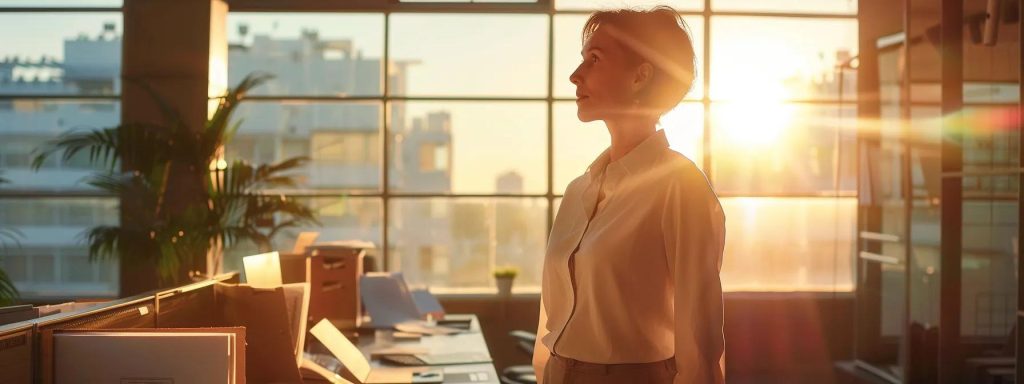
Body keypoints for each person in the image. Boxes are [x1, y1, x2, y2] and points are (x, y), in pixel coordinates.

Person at [532, 6, 725, 384]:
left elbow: (698, 345)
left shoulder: (680, 186)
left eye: (594, 59)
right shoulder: (579, 190)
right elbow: (552, 319)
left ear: (640, 76)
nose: (575, 75)